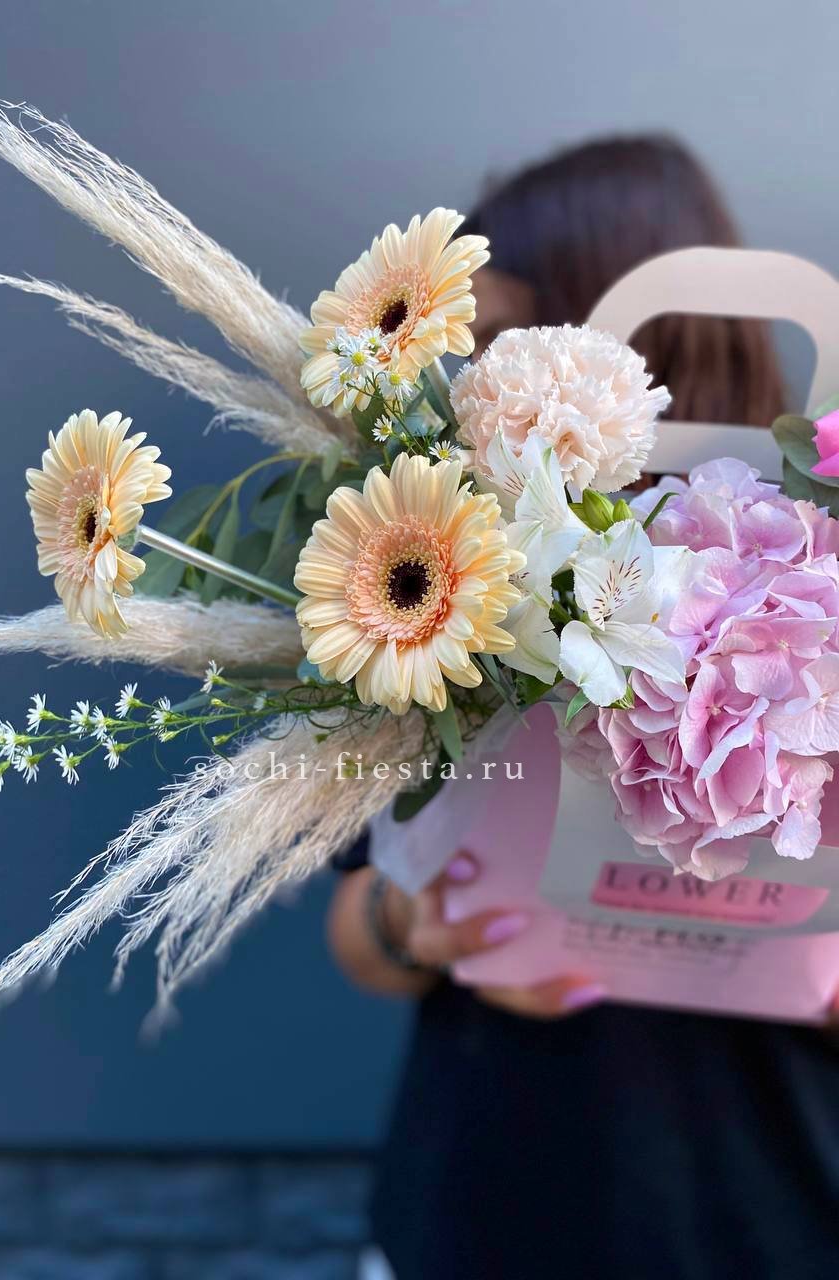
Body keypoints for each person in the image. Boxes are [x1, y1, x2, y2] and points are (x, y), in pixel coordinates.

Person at [328, 136, 839, 1280]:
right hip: (486, 1202)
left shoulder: (820, 571)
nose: (476, 379)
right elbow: (356, 923)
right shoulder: (451, 582)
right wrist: (420, 928)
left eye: (507, 337)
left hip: (769, 1211)